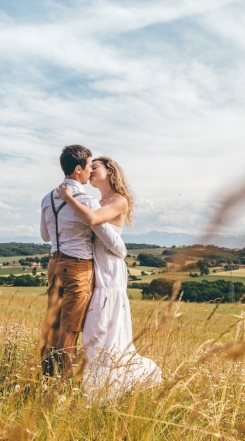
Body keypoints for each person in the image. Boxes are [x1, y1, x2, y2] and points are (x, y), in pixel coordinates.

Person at [57, 156, 162, 402]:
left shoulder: (118, 200)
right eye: (89, 167)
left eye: (95, 167)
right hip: (94, 268)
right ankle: (96, 384)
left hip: (110, 271)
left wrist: (68, 198)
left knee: (102, 326)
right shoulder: (98, 201)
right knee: (95, 329)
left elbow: (93, 220)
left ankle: (104, 390)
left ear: (110, 171)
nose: (91, 171)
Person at [39, 145, 128, 379]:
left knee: (52, 324)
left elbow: (45, 236)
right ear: (79, 169)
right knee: (70, 329)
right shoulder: (88, 201)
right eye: (90, 165)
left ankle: (47, 375)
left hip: (54, 263)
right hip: (78, 266)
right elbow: (99, 229)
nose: (90, 171)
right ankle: (65, 381)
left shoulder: (47, 197)